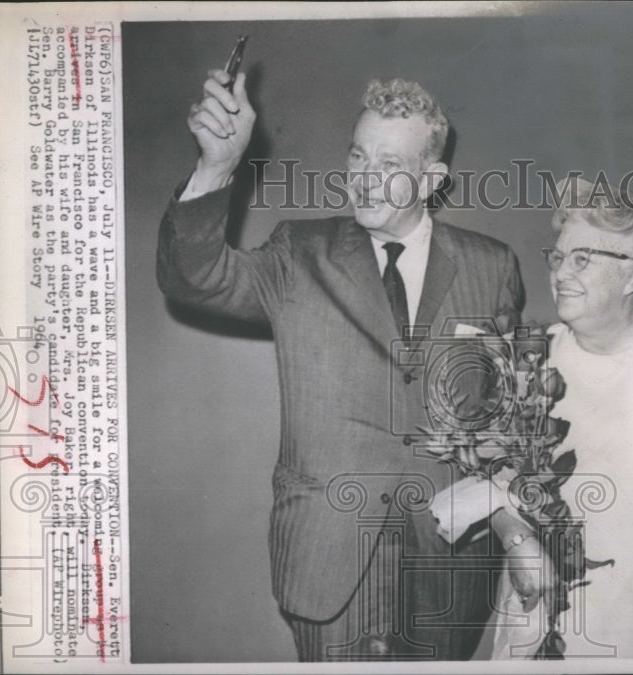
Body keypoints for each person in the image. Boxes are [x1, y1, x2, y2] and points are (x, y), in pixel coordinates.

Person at [157, 70, 531, 660]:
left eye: (390, 165)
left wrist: (514, 530)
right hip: (328, 557)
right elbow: (195, 279)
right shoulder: (297, 252)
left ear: (432, 179)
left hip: (448, 564)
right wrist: (216, 168)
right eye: (358, 157)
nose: (366, 180)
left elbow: (505, 420)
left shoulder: (491, 266)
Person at [490, 178, 633, 658]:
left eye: (583, 259)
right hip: (540, 619)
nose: (560, 272)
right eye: (558, 257)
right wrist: (514, 538)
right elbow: (491, 475)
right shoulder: (529, 360)